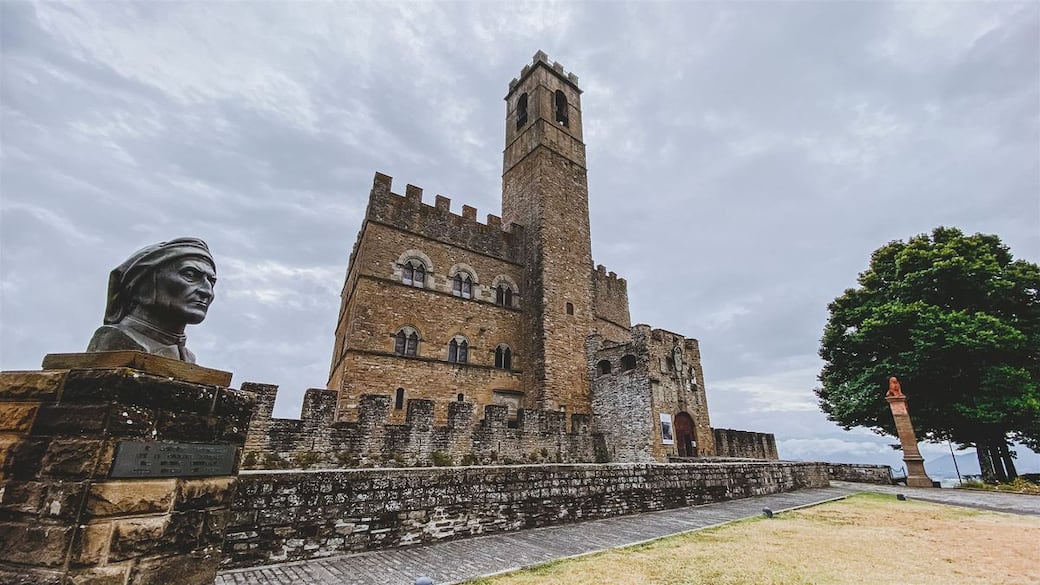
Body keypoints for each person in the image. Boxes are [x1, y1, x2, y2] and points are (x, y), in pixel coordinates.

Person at [87, 237, 216, 363]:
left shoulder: (187, 358)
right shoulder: (116, 341)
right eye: (190, 275)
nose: (207, 291)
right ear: (142, 284)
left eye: (211, 281)